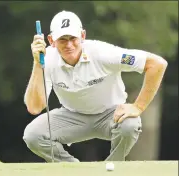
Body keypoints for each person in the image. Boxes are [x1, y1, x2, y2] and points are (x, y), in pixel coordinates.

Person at [23, 10, 168, 162]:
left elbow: (157, 64)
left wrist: (138, 106)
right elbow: (34, 107)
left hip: (111, 115)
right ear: (51, 40)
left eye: (73, 38)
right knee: (33, 135)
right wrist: (38, 64)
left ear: (83, 36)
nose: (69, 44)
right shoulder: (46, 59)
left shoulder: (103, 53)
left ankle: (112, 168)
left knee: (130, 125)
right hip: (72, 116)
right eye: (62, 40)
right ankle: (72, 171)